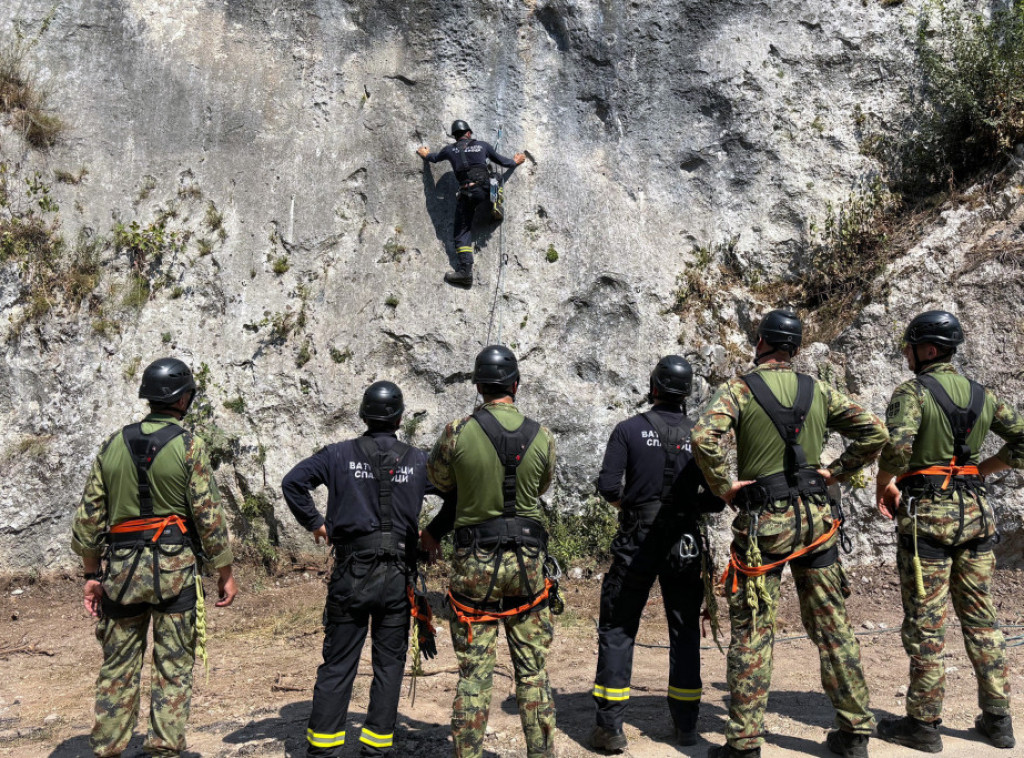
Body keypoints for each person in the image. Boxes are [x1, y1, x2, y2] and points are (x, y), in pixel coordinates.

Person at [691, 309, 888, 758]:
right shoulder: (817, 389)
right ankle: (855, 733)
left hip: (766, 526)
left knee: (754, 628)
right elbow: (875, 431)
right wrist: (835, 472)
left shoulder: (740, 390)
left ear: (761, 342)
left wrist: (724, 487)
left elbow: (703, 437)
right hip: (817, 520)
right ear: (795, 347)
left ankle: (744, 742)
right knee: (832, 624)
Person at [71, 357, 237, 758]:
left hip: (121, 574)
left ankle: (108, 748)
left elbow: (88, 520)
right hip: (174, 573)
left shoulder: (112, 445)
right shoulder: (189, 446)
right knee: (173, 668)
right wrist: (224, 572)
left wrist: (91, 574)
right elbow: (208, 516)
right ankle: (163, 750)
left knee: (117, 668)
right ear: (181, 399)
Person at [875, 310, 1024, 753]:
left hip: (929, 521)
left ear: (928, 349)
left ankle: (923, 724)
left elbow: (898, 448)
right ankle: (998, 721)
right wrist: (982, 468)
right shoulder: (984, 396)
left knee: (926, 625)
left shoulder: (913, 393)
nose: (905, 353)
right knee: (982, 620)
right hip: (976, 514)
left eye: (909, 346)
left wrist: (885, 483)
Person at [282, 381, 446, 757]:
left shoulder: (338, 455)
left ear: (363, 414)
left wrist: (316, 523)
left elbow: (293, 482)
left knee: (339, 664)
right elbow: (455, 493)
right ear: (401, 418)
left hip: (351, 574)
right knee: (389, 666)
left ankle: (323, 751)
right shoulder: (419, 460)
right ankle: (375, 751)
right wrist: (433, 534)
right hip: (396, 578)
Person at [422, 345, 557, 758]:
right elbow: (543, 486)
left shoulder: (456, 431)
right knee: (533, 673)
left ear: (478, 385)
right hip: (527, 564)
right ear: (516, 384)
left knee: (474, 676)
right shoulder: (542, 436)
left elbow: (440, 479)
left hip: (475, 564)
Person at [589, 355, 725, 753]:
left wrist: (637, 510)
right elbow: (718, 498)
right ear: (688, 393)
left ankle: (610, 728)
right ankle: (686, 728)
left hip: (637, 539)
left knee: (618, 626)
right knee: (684, 630)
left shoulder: (628, 430)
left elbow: (609, 486)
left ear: (653, 387)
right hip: (684, 541)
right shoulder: (701, 435)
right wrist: (685, 509)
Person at [417, 120, 525, 288]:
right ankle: (496, 202)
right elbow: (505, 162)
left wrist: (425, 154)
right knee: (496, 177)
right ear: (468, 133)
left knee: (461, 233)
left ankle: (465, 273)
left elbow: (434, 158)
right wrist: (516, 160)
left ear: (455, 136)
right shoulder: (482, 146)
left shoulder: (449, 150)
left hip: (467, 193)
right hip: (485, 189)